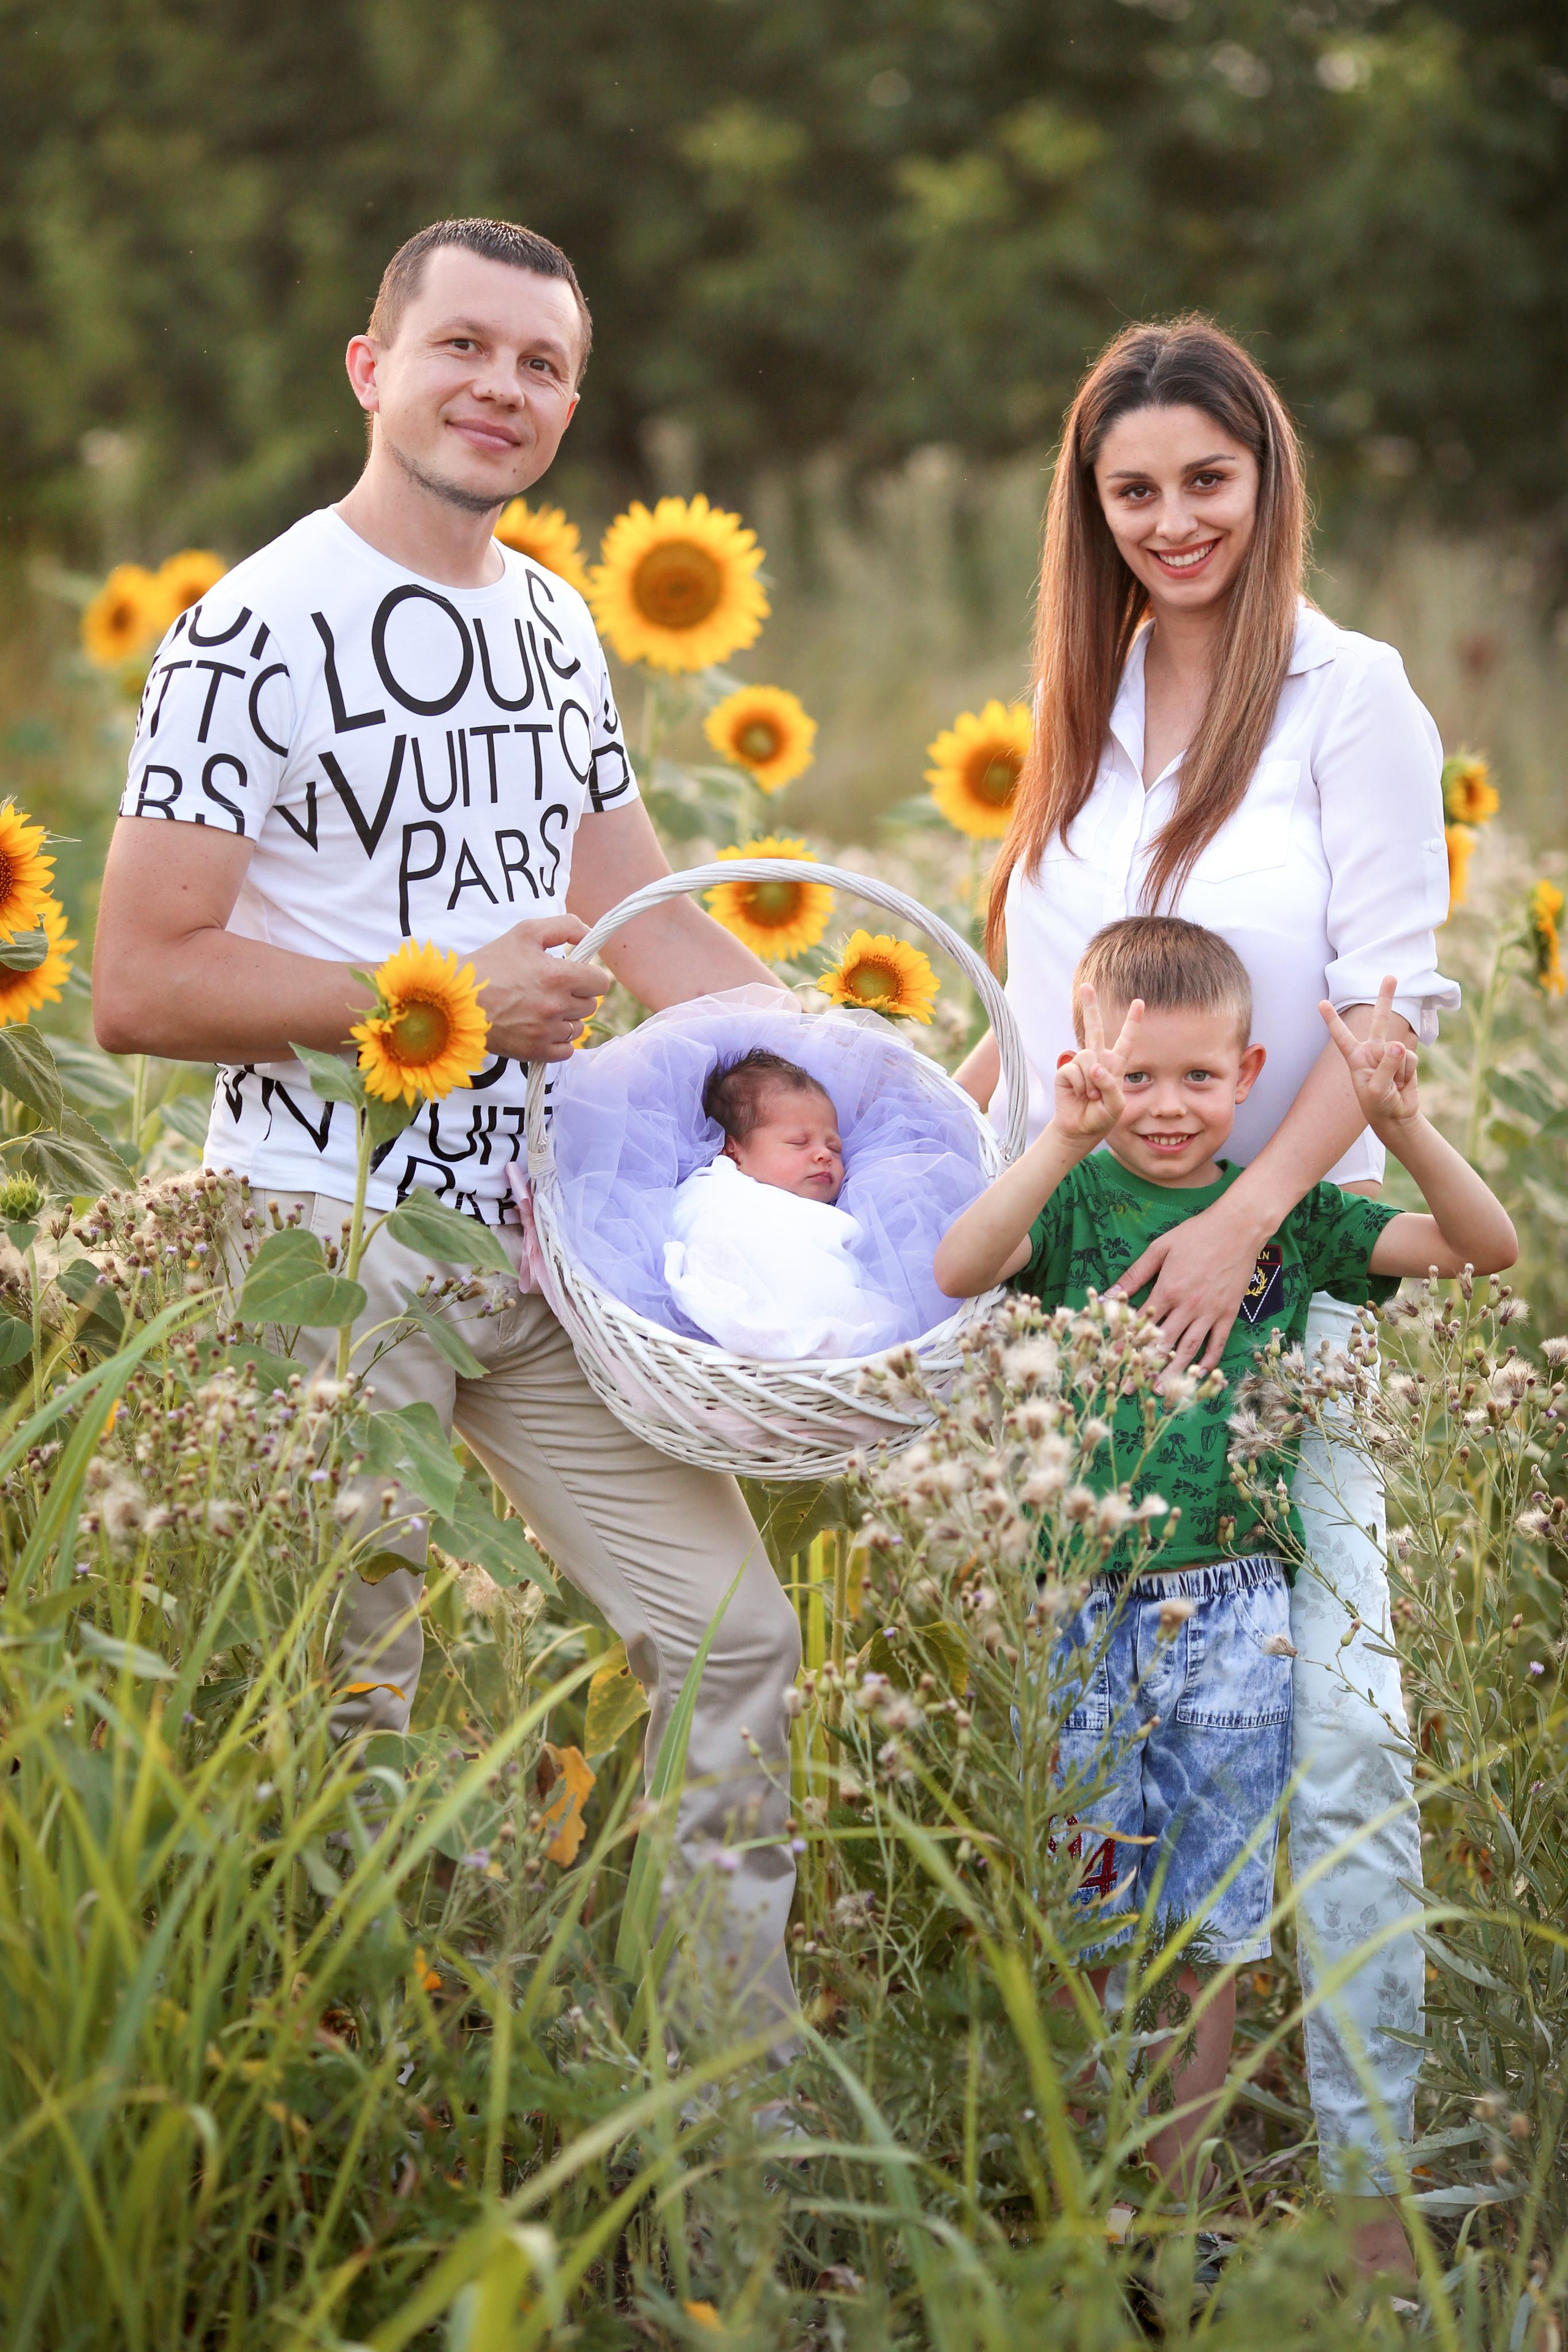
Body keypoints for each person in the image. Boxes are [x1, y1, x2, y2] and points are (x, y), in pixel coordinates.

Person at [90, 216, 804, 2048]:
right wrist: (452, 993)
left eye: (542, 364)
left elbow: (639, 914)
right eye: (463, 347)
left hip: (542, 1232)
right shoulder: (250, 630)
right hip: (328, 1252)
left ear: (571, 398)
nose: (501, 388)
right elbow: (143, 986)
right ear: (371, 365)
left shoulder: (554, 618)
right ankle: (354, 2116)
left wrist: (842, 1068)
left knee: (732, 1638)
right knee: (345, 1709)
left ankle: (727, 2104)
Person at [953, 316, 1458, 2272]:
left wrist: (1250, 1214)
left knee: (1334, 1717)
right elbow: (1036, 1028)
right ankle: (1137, 2198)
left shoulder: (1352, 696)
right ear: (1091, 507)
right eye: (1132, 487)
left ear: (1267, 480)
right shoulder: (1074, 706)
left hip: (1276, 1287)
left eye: (1205, 480)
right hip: (1086, 1307)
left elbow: (1384, 1005)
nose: (1172, 521)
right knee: (1119, 1745)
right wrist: (979, 1236)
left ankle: (1371, 2192)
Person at [935, 917, 1515, 2199]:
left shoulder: (1287, 1226)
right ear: (1084, 1063)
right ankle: (1097, 2190)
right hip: (1078, 1594)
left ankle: (1179, 2198)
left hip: (1234, 1601)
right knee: (1091, 1903)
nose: (1164, 1107)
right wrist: (1057, 1134)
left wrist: (1401, 1122)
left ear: (1249, 1077)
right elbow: (957, 1264)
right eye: (1132, 1076)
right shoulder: (1076, 1199)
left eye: (1198, 1078)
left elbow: (1483, 1251)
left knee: (1210, 1917)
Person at [665, 1050, 899, 1359]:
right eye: (799, 1143)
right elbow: (709, 1230)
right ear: (734, 1153)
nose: (824, 1155)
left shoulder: (830, 1215)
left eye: (834, 1147)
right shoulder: (719, 1188)